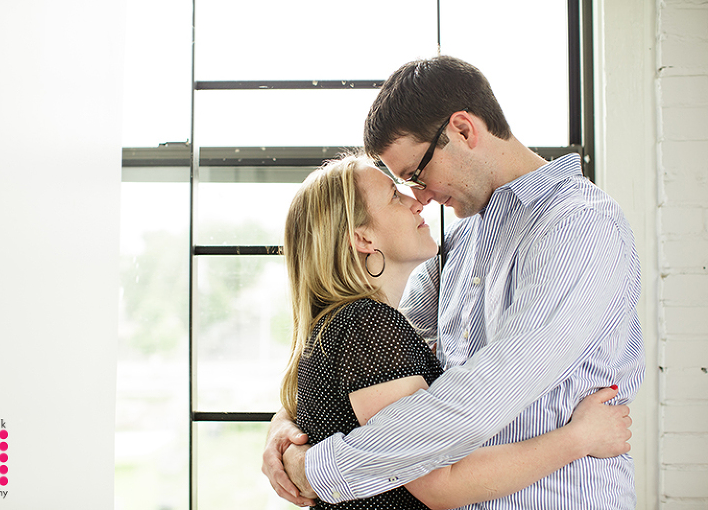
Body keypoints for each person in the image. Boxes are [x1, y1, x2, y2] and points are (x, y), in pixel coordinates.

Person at [263, 56, 646, 509]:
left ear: (463, 130)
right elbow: (376, 361)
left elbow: (487, 394)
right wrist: (286, 424)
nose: (420, 197)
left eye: (416, 174)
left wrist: (316, 469)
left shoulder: (578, 225)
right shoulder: (459, 245)